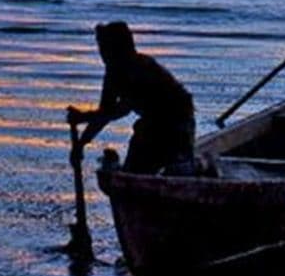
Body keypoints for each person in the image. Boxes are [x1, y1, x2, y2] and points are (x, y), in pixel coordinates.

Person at [67, 22, 195, 175]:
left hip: (176, 124)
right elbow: (105, 112)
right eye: (101, 47)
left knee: (149, 149)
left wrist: (83, 117)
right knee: (139, 157)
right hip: (154, 125)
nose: (102, 53)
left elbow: (119, 110)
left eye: (106, 47)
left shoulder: (141, 68)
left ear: (121, 47)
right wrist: (81, 143)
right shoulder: (113, 72)